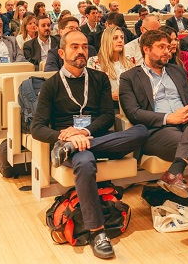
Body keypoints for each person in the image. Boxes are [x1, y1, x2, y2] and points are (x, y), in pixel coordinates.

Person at [32, 30, 148, 260]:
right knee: (85, 163)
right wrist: (66, 137)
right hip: (71, 144)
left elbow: (106, 116)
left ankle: (74, 148)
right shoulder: (51, 85)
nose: (81, 51)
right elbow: (37, 127)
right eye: (75, 47)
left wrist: (84, 133)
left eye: (85, 46)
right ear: (62, 52)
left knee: (142, 131)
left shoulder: (99, 78)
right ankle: (97, 232)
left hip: (96, 138)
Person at [118, 29, 188, 254]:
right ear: (146, 49)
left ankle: (175, 170)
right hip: (158, 130)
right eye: (161, 47)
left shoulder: (177, 72)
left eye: (168, 47)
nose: (167, 51)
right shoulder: (130, 77)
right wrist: (169, 117)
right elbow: (133, 113)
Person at [87, 26, 135, 108]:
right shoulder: (94, 62)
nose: (120, 40)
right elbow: (92, 91)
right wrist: (110, 95)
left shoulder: (130, 59)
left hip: (129, 103)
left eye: (122, 38)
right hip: (106, 105)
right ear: (107, 41)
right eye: (115, 38)